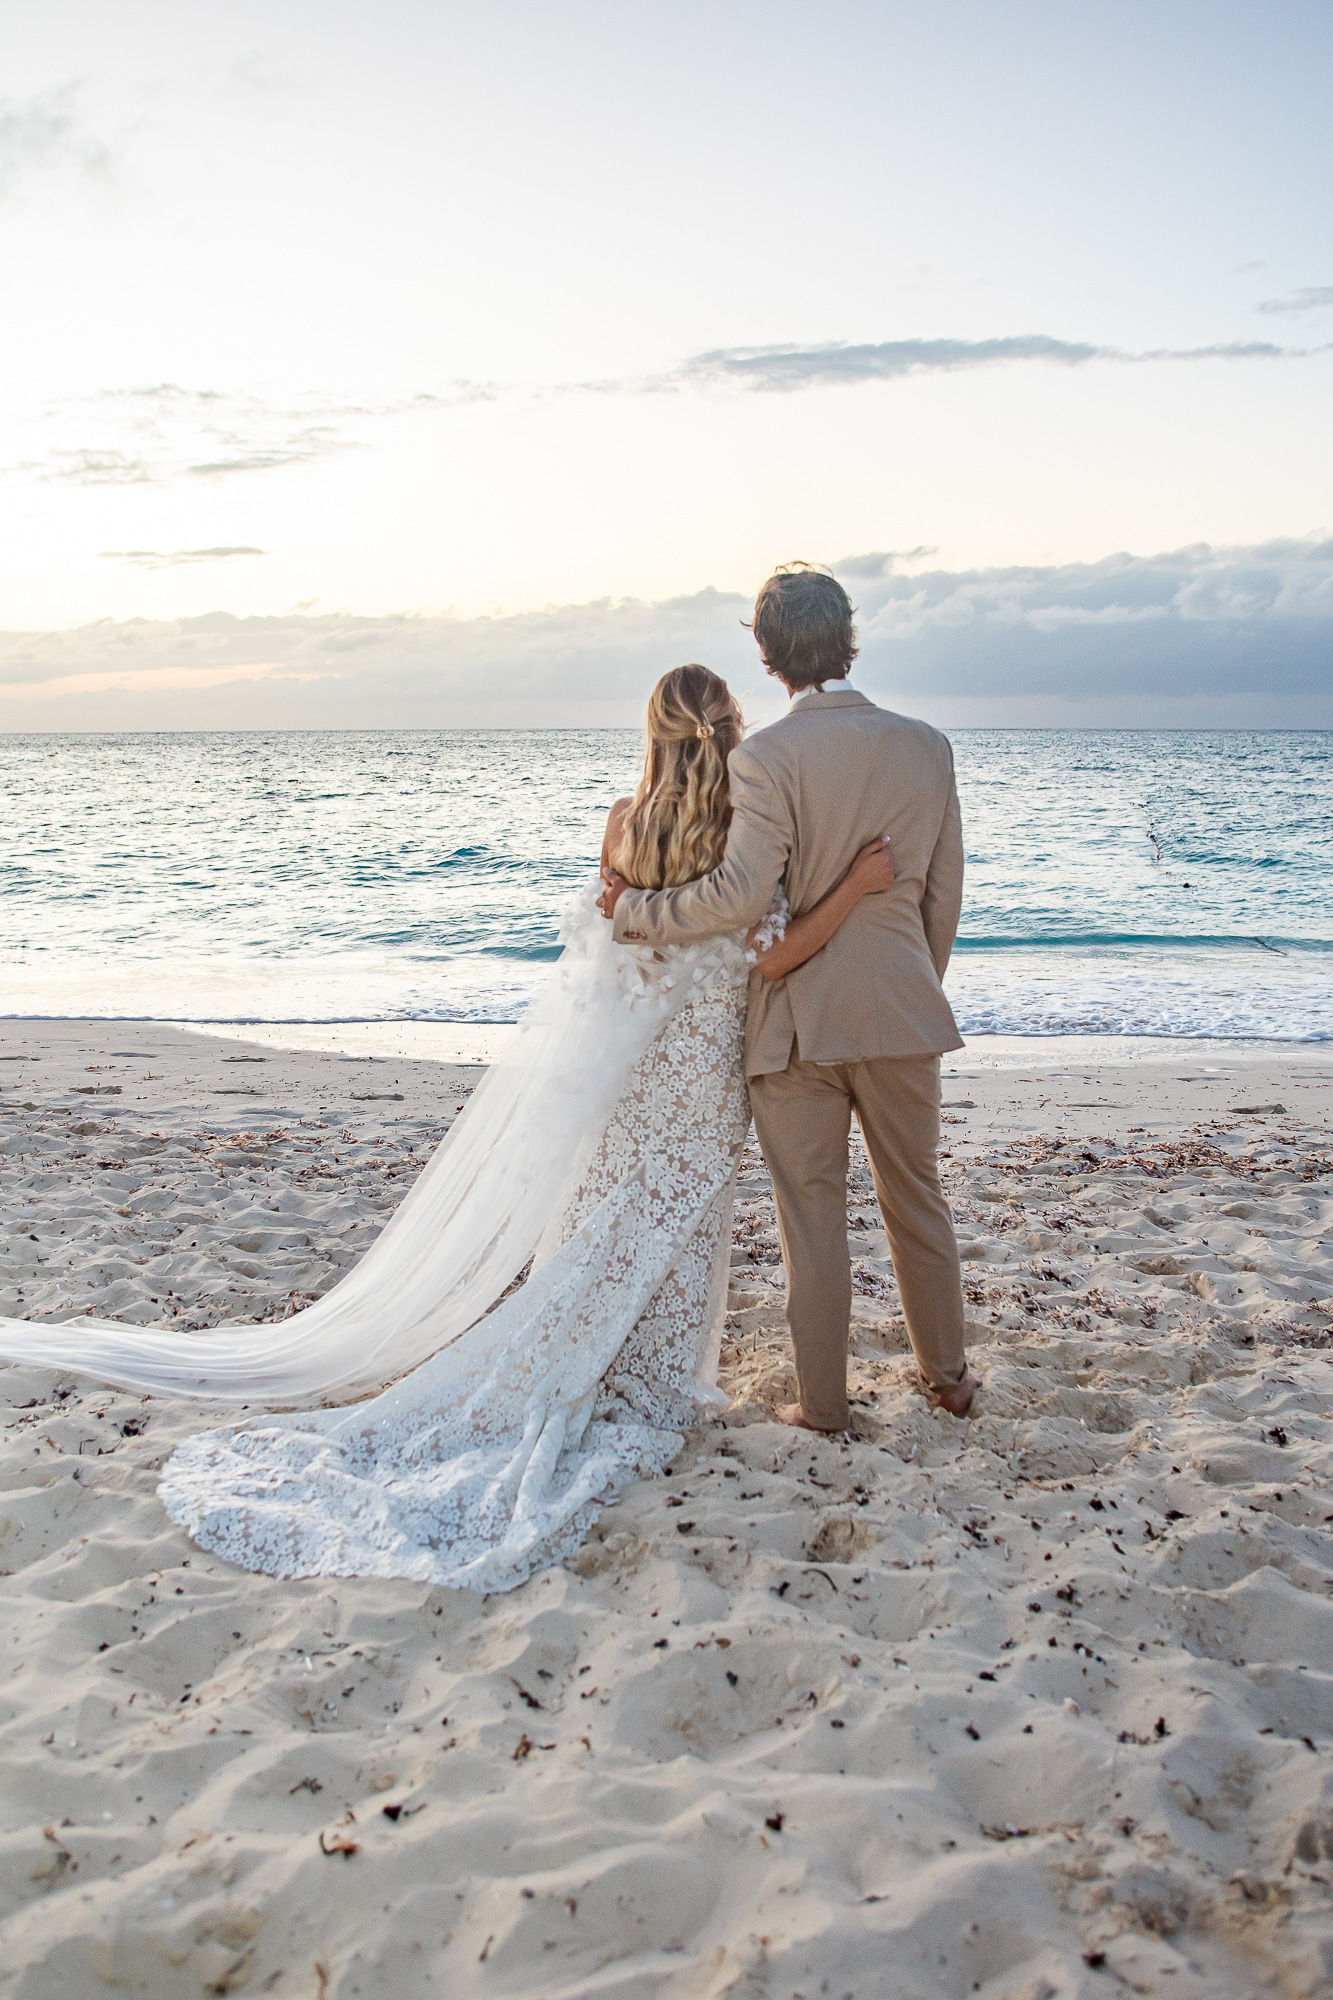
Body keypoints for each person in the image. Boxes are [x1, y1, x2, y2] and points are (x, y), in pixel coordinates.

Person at [0, 664, 892, 1592]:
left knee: (604, 1216)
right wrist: (858, 888)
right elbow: (774, 950)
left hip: (633, 1066)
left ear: (653, 732)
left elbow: (613, 945)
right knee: (673, 1222)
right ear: (732, 726)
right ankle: (650, 1381)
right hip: (702, 1069)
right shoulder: (747, 829)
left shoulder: (625, 822)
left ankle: (592, 1364)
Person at [600, 566, 979, 1433]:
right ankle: (948, 1380)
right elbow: (941, 897)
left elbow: (737, 899)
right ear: (848, 636)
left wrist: (634, 911)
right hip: (900, 1010)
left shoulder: (765, 757)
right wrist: (912, 987)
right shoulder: (927, 746)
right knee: (915, 1194)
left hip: (795, 1025)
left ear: (768, 656)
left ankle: (822, 1405)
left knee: (811, 1217)